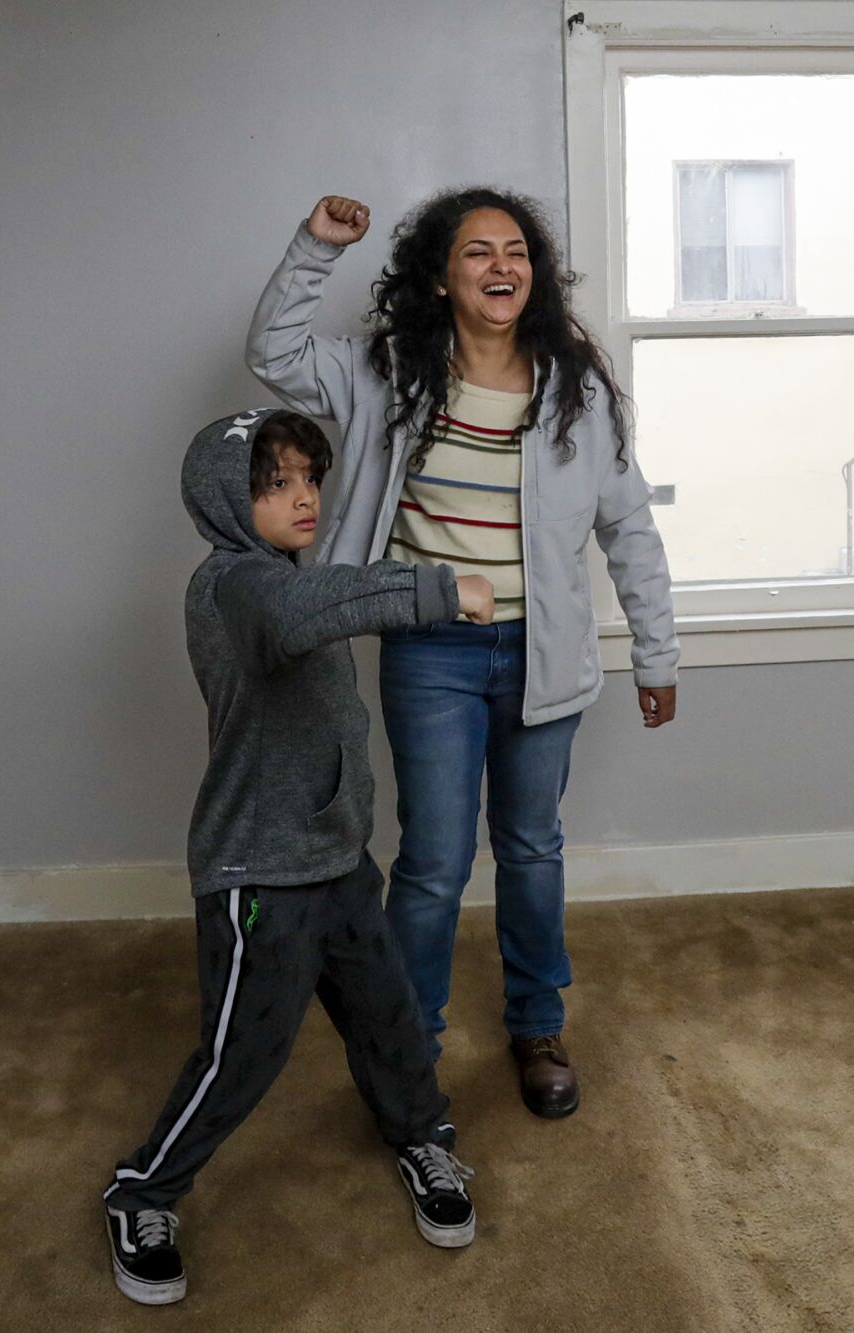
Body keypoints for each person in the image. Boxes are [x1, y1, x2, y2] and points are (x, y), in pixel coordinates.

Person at [246, 188, 679, 1120]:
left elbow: (629, 526)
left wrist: (658, 651)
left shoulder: (578, 391)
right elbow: (273, 353)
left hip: (546, 653)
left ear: (537, 273)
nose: (500, 267)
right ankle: (409, 1045)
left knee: (531, 848)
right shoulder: (387, 373)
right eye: (477, 252)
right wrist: (315, 245)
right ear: (441, 278)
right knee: (435, 860)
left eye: (516, 251)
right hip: (430, 650)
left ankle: (536, 1023)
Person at [101, 407, 495, 1306]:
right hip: (260, 876)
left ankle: (420, 1137)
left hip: (337, 859)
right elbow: (303, 608)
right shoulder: (236, 587)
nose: (303, 497)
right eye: (275, 484)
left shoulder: (281, 575)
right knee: (243, 1053)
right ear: (227, 502)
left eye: (309, 478)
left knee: (390, 1020)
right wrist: (439, 590)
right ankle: (142, 1193)